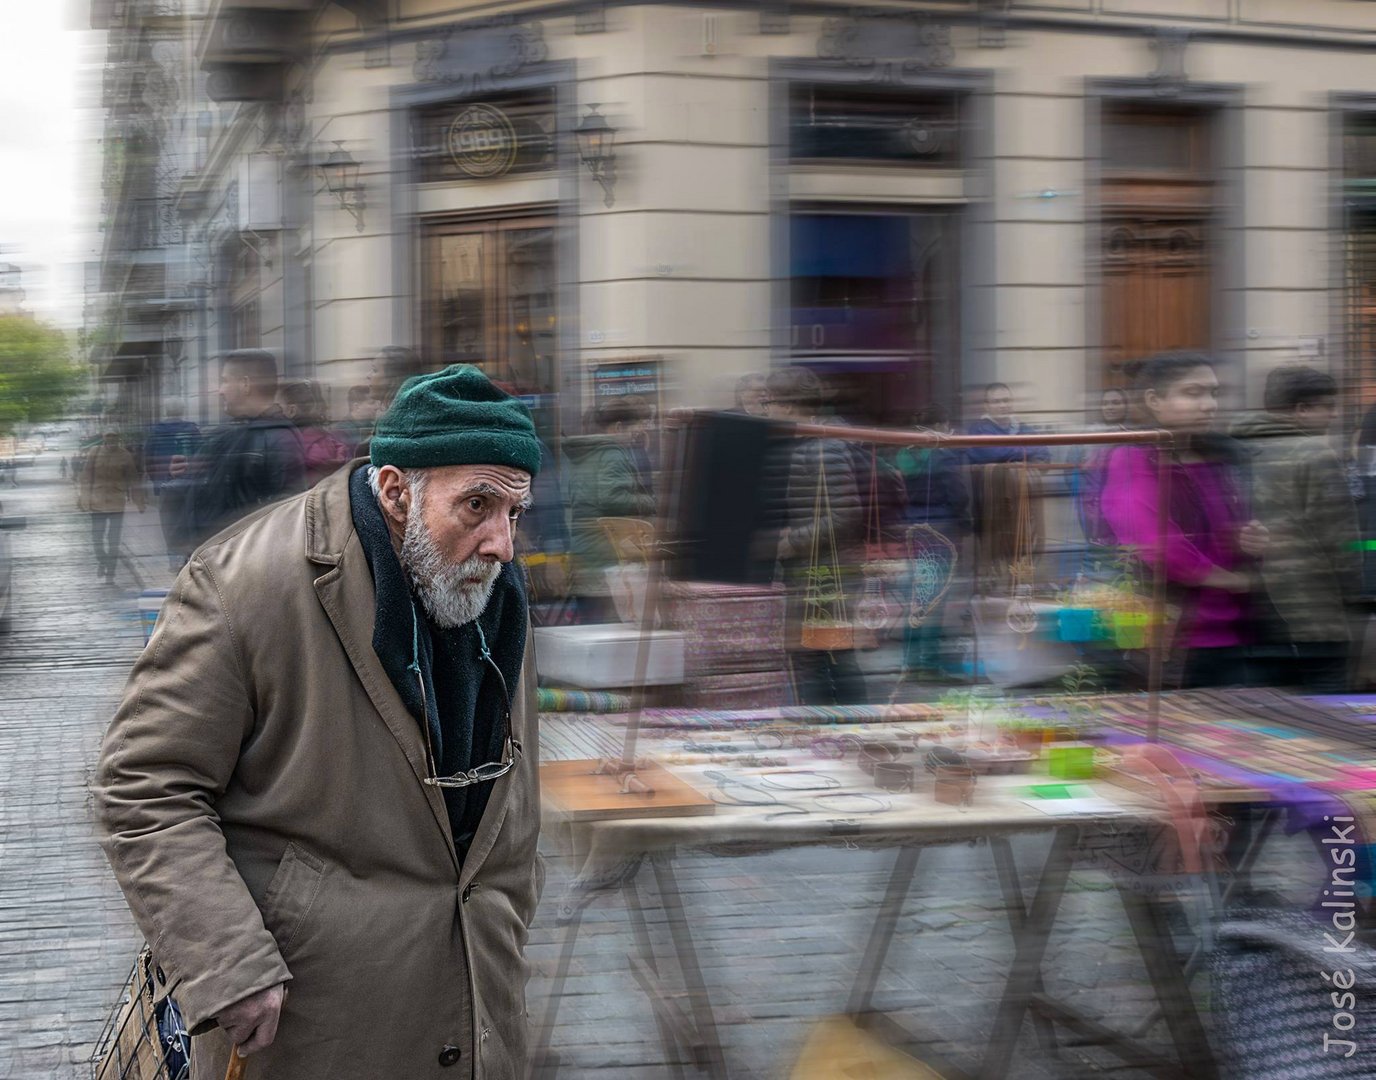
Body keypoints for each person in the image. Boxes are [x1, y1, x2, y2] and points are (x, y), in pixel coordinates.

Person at [94, 365, 545, 1079]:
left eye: (515, 513)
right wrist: (225, 958)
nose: (502, 543)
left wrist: (509, 912)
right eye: (478, 506)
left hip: (477, 1008)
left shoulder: (494, 586)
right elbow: (144, 785)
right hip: (309, 1024)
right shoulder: (245, 583)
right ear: (396, 491)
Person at [1099, 353, 1269, 689]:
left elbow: (1229, 532)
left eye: (1213, 394)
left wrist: (1252, 540)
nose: (1208, 405)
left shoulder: (1220, 458)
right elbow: (1159, 546)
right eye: (1192, 393)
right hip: (1173, 640)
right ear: (1154, 400)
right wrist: (1234, 581)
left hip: (1234, 634)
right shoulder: (1133, 458)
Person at [1230, 366, 1360, 692]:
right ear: (1301, 410)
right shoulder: (1314, 454)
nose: (1334, 415)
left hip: (1251, 616)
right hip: (1313, 617)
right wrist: (1356, 594)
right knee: (1329, 724)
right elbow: (1342, 542)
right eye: (1327, 406)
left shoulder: (1235, 449)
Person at [763, 366, 868, 705]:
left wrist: (790, 540)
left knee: (832, 656)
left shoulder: (825, 447)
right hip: (810, 569)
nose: (765, 409)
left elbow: (844, 515)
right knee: (814, 657)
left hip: (829, 572)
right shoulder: (803, 444)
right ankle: (827, 733)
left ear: (789, 405)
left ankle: (857, 728)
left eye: (769, 402)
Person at [170, 349, 307, 554]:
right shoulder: (239, 432)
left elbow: (285, 520)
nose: (220, 390)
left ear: (245, 384)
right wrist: (189, 472)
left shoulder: (278, 438)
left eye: (225, 381)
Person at [564, 396, 656, 622]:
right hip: (606, 551)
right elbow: (613, 499)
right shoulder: (612, 452)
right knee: (612, 624)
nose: (637, 434)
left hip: (585, 549)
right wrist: (650, 502)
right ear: (618, 427)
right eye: (634, 428)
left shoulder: (584, 453)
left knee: (591, 622)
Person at [79, 431, 145, 584]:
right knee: (97, 538)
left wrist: (139, 502)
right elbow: (86, 476)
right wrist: (84, 499)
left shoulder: (125, 455)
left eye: (115, 437)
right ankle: (103, 560)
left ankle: (111, 572)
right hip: (97, 502)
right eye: (109, 438)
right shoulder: (94, 452)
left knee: (113, 540)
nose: (112, 441)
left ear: (118, 439)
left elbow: (133, 480)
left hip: (116, 502)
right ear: (104, 439)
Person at [279, 379, 351, 486]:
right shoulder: (328, 439)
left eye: (281, 409)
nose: (280, 413)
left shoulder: (290, 444)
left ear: (292, 410)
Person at [143, 399, 200, 494]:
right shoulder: (192, 430)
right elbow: (200, 455)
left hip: (162, 480)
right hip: (188, 481)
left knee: (165, 507)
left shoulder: (156, 431)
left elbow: (148, 458)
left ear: (166, 411)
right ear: (182, 411)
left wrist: (155, 479)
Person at [333, 383, 377, 455]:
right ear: (357, 406)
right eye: (372, 403)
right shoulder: (341, 431)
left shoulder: (371, 427)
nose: (376, 407)